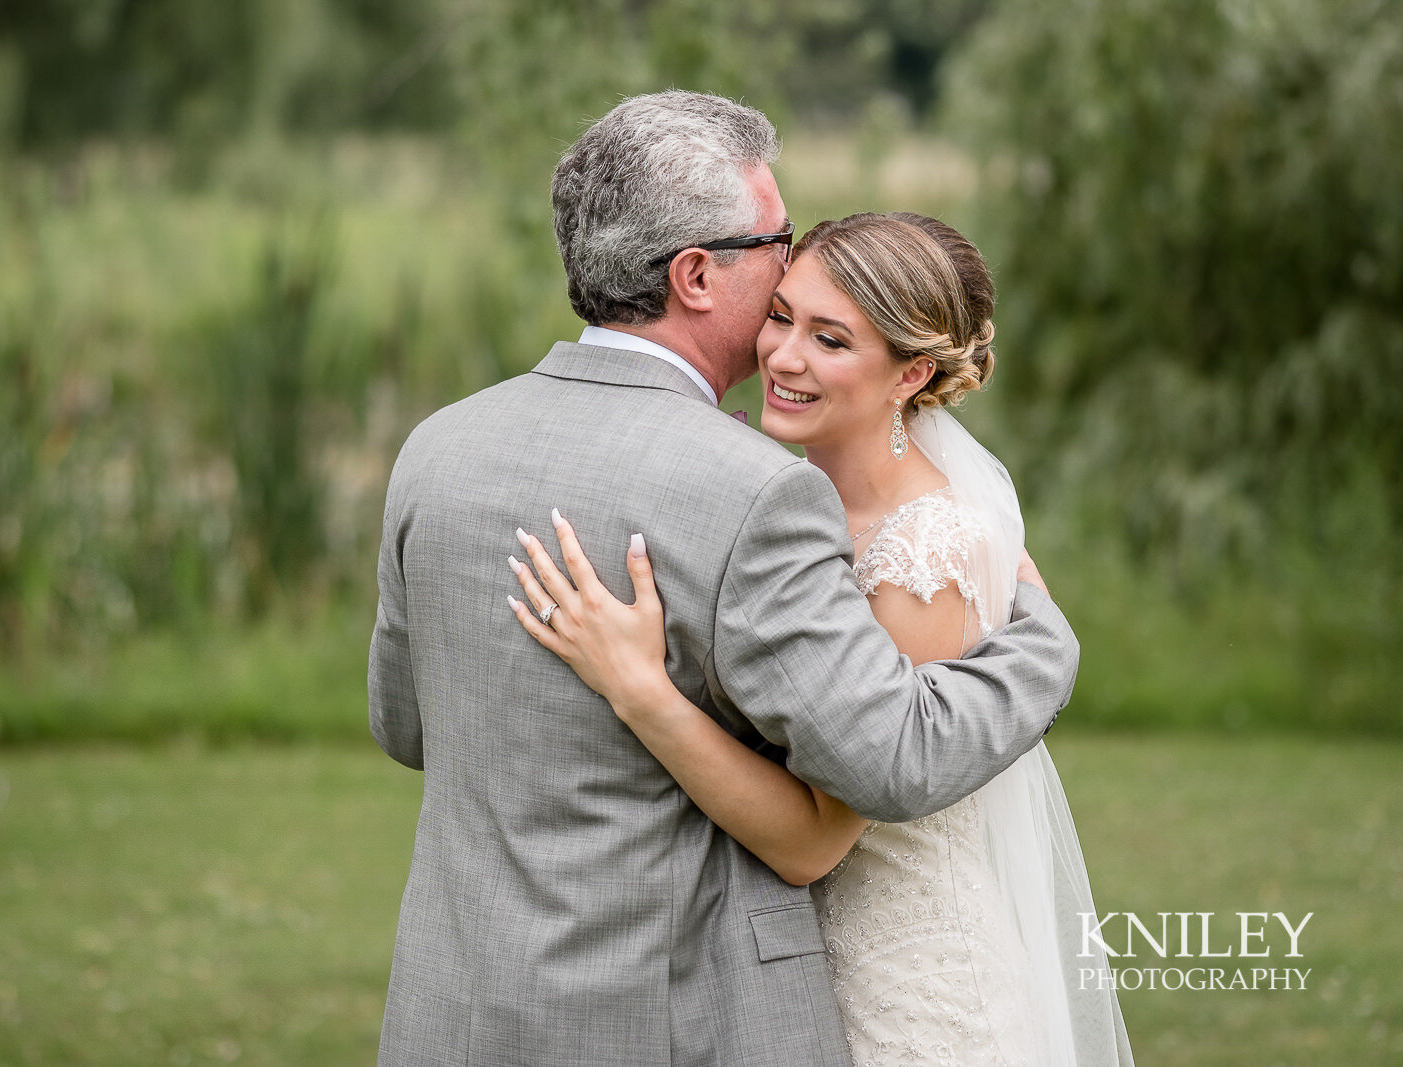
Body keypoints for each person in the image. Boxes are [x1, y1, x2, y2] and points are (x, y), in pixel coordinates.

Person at [368, 90, 1079, 1066]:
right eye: (776, 242)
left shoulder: (434, 447)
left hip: (452, 1009)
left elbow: (404, 724)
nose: (789, 264)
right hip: (662, 1020)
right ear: (697, 273)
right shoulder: (756, 492)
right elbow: (888, 763)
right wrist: (1043, 640)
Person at [506, 211, 1133, 1064]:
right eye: (780, 316)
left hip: (906, 991)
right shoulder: (785, 503)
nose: (784, 357)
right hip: (784, 979)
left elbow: (816, 839)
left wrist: (642, 688)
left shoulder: (927, 553)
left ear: (911, 372)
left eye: (830, 339)